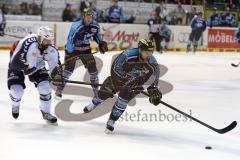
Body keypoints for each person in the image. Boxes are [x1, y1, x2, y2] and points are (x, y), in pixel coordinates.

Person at [83, 39, 162, 133]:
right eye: (146, 52)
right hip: (118, 78)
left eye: (151, 52)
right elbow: (115, 68)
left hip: (134, 86)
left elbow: (154, 81)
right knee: (104, 93)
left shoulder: (153, 64)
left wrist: (154, 93)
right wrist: (125, 79)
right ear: (140, 50)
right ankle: (94, 103)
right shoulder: (128, 55)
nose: (148, 55)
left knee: (123, 101)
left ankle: (112, 120)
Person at [8, 26, 62, 124]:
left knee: (45, 87)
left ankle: (46, 112)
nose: (49, 43)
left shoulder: (50, 49)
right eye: (47, 40)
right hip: (18, 63)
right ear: (40, 38)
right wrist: (26, 68)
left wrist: (57, 76)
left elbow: (55, 68)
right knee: (16, 91)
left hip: (35, 64)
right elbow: (14, 62)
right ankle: (15, 103)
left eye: (50, 40)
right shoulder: (29, 44)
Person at [55, 8, 108, 99]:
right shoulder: (76, 26)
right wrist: (70, 53)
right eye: (87, 17)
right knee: (68, 70)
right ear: (83, 17)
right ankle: (59, 89)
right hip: (73, 50)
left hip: (86, 50)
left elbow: (97, 36)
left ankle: (96, 93)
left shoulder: (95, 26)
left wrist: (101, 43)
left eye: (90, 17)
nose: (89, 19)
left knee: (93, 70)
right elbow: (70, 41)